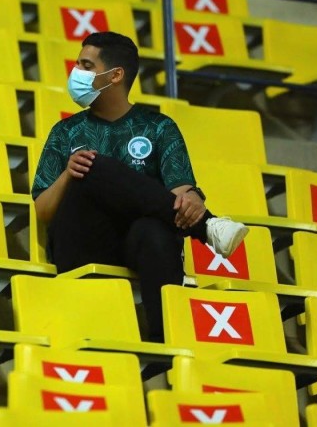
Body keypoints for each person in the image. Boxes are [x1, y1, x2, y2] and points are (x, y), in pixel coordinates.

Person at [32, 31, 248, 342]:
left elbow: (181, 194)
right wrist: (68, 174)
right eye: (78, 65)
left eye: (86, 66)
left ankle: (164, 344)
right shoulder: (65, 131)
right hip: (81, 243)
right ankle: (207, 227)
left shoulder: (159, 128)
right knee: (92, 166)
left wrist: (193, 198)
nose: (76, 72)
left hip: (137, 244)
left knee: (156, 231)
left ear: (115, 75)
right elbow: (42, 211)